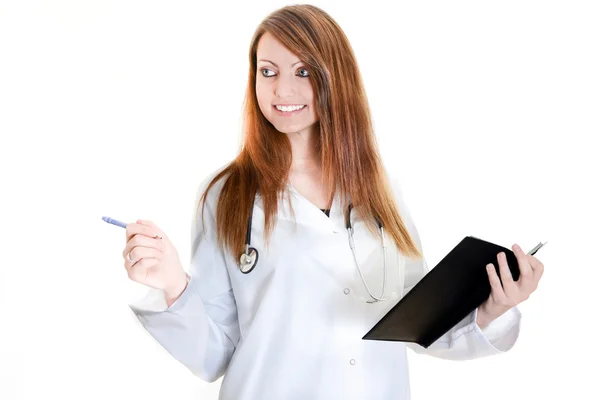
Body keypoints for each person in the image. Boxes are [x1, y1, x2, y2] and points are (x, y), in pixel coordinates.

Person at [123, 4, 544, 399]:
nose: (282, 89)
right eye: (267, 72)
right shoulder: (227, 194)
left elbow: (417, 321)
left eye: (302, 70)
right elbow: (213, 355)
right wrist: (173, 284)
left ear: (334, 76)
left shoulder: (380, 187)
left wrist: (494, 307)